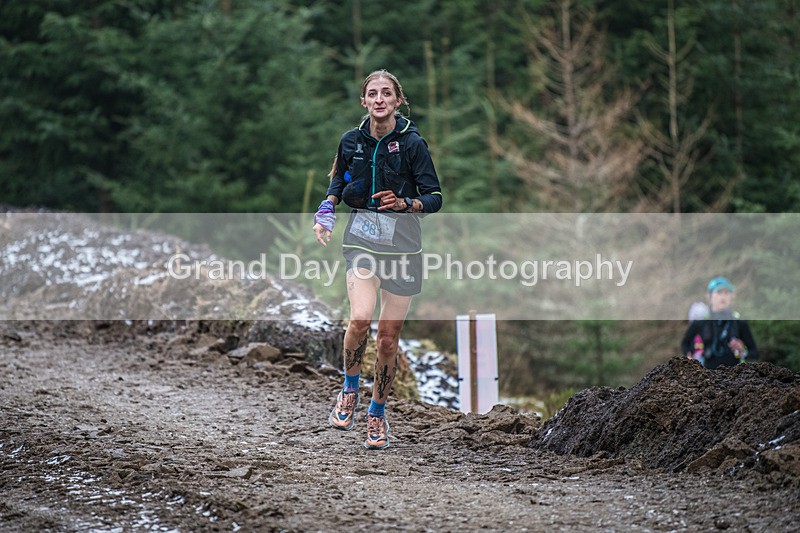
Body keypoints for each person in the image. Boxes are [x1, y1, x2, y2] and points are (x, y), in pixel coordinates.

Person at [312, 69, 443, 449]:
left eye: (387, 93)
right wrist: (327, 208)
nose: (380, 99)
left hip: (404, 248)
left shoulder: (413, 143)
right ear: (364, 101)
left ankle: (377, 414)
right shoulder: (351, 140)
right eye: (373, 93)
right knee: (360, 318)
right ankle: (349, 390)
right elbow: (338, 180)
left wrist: (406, 203)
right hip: (362, 243)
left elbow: (435, 196)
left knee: (387, 340)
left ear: (398, 100)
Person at [680, 276, 758, 369]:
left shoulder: (739, 322)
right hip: (707, 376)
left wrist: (742, 351)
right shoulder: (701, 322)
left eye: (726, 293)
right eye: (719, 292)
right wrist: (689, 356)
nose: (723, 297)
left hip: (734, 377)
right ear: (710, 296)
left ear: (731, 296)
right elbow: (685, 343)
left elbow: (754, 353)